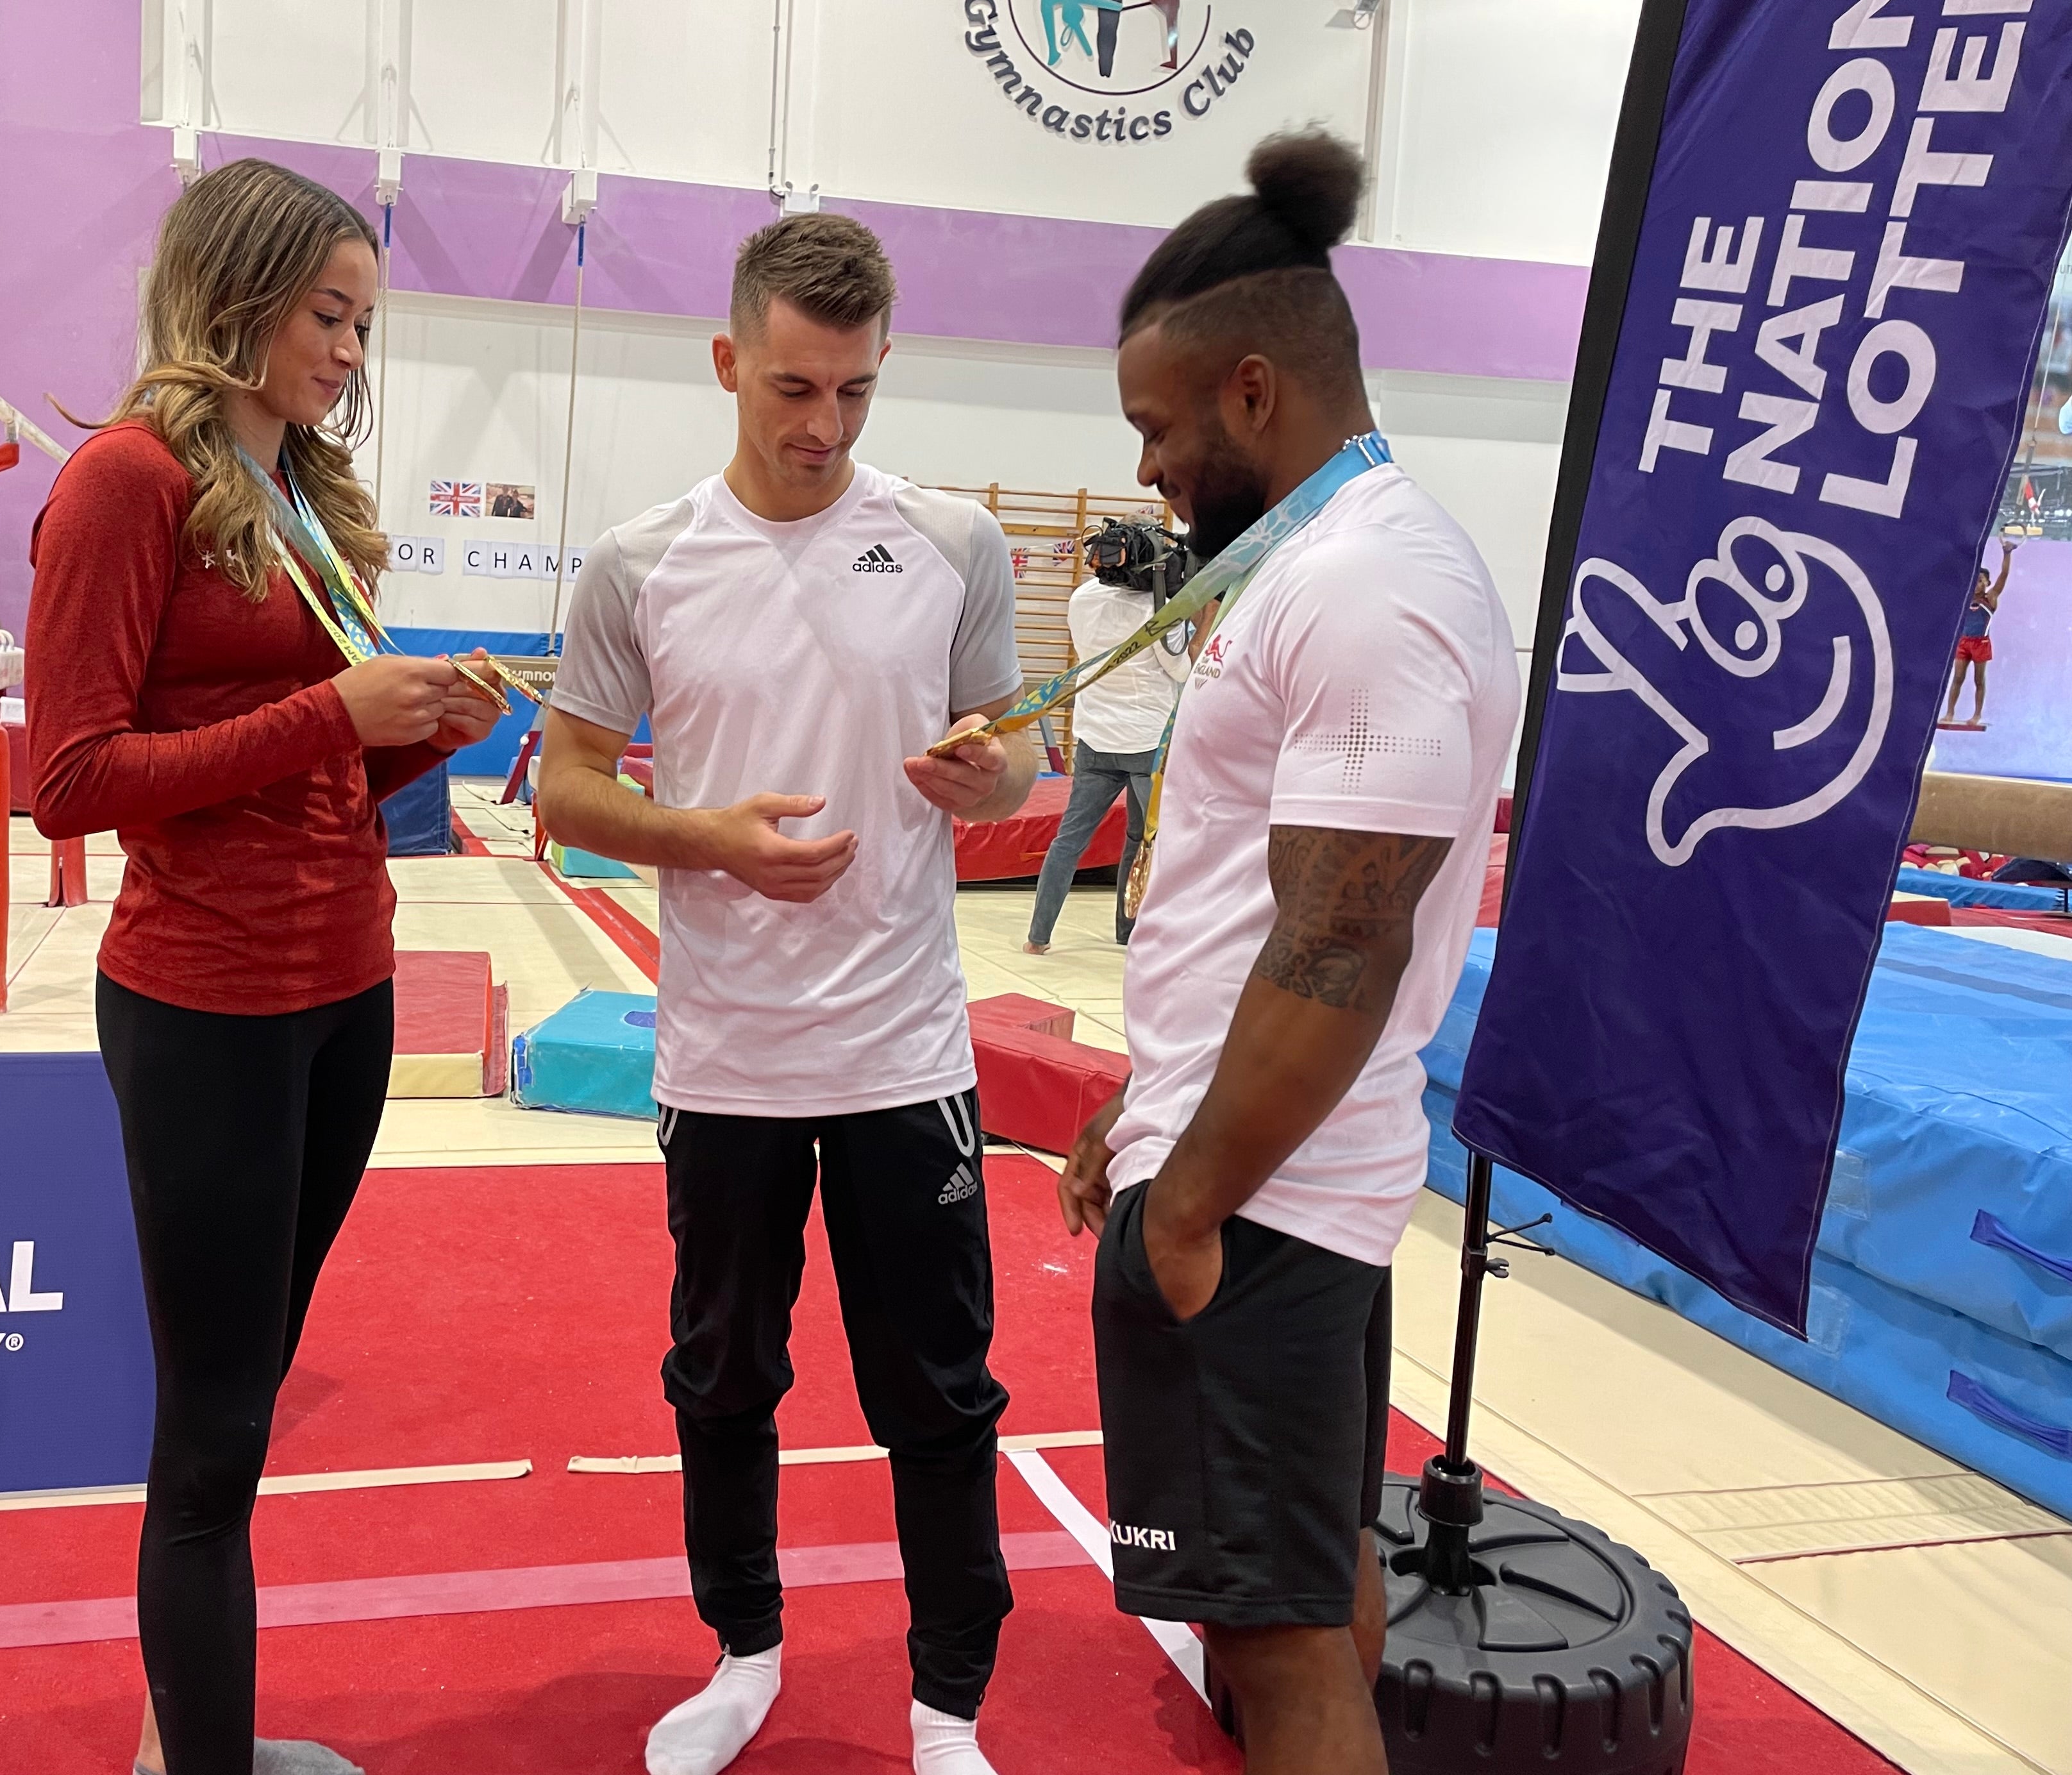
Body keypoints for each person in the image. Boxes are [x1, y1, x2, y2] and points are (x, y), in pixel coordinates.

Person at [540, 214, 1035, 1775]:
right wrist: (705, 842)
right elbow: (559, 789)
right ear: (726, 365)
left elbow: (1012, 754)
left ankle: (949, 1708)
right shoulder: (639, 564)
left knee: (940, 1394)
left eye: (855, 393)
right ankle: (743, 1651)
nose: (823, 427)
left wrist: (990, 773)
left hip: (903, 1051)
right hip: (729, 1059)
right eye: (792, 390)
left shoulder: (952, 542)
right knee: (724, 1379)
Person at [26, 156, 500, 1775]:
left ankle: (186, 1743)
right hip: (207, 1007)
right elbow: (69, 780)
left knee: (252, 1400)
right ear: (234, 295)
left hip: (342, 991)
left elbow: (300, 780)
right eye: (326, 314)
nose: (351, 351)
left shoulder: (300, 489)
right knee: (213, 1435)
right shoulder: (125, 480)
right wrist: (333, 715)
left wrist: (411, 741)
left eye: (363, 322)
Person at [1054, 131, 1516, 1775]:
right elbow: (1250, 906)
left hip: (1262, 1208)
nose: (1154, 472)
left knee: (1278, 1647)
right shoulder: (1317, 567)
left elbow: (1338, 953)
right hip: (1262, 1170)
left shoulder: (1371, 588)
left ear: (1254, 393)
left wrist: (1191, 1201)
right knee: (1313, 1596)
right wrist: (1154, 1102)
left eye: (1161, 431)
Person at [1023, 526, 1187, 954]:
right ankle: (1128, 934)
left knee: (1070, 839)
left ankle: (1038, 937)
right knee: (1142, 838)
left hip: (1095, 735)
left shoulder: (1081, 599)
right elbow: (1181, 671)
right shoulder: (1161, 610)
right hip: (1148, 738)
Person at [1940, 541, 2016, 728]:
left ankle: (1976, 714)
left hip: (1981, 644)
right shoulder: (1964, 597)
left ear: (1988, 584)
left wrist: (2007, 554)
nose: (1979, 583)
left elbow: (2004, 575)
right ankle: (1950, 712)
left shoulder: (1991, 598)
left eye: (1983, 580)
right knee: (1957, 678)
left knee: (1978, 680)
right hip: (1964, 642)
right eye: (1976, 579)